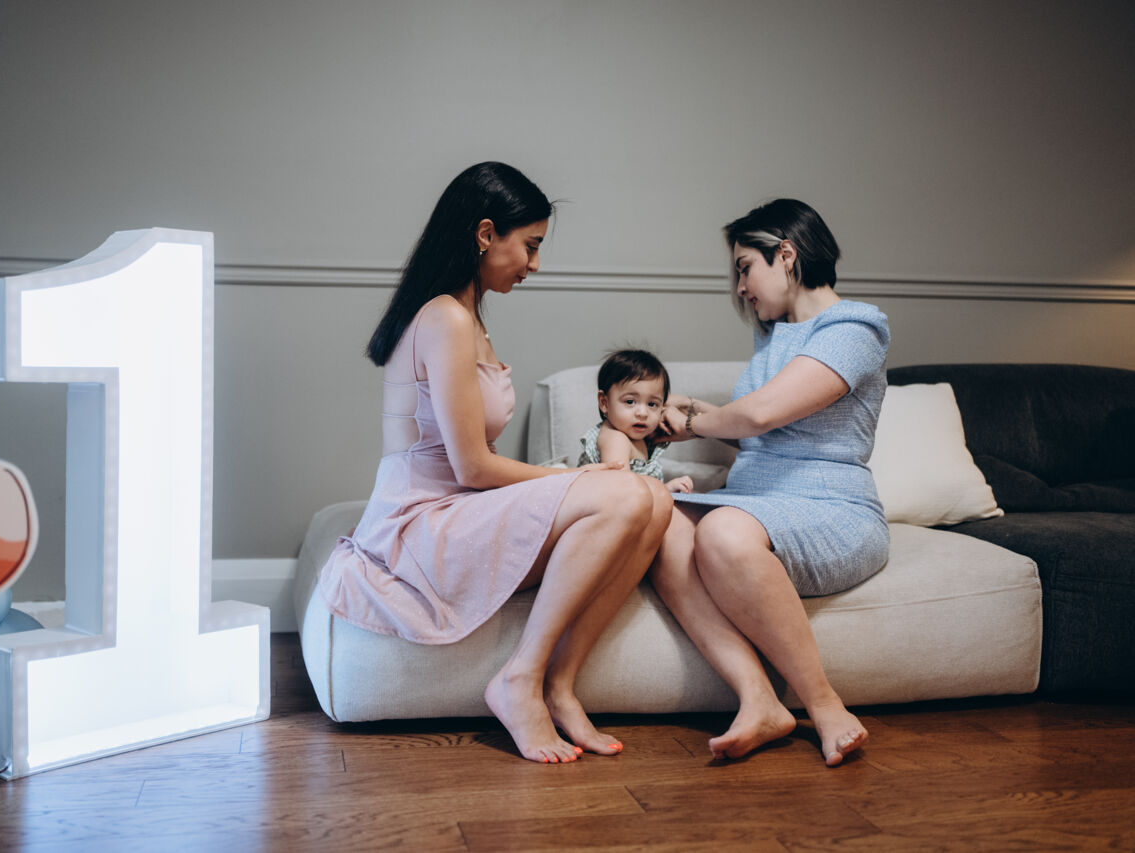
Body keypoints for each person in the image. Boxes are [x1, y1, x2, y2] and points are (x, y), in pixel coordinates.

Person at [318, 162, 673, 764]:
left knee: (656, 499)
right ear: (486, 234)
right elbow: (472, 470)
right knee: (624, 492)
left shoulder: (467, 318)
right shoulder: (445, 318)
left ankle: (560, 687)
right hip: (418, 524)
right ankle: (519, 679)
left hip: (458, 507)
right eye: (530, 245)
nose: (535, 264)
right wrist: (574, 477)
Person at [653, 198, 890, 767]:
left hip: (833, 508)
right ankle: (759, 700)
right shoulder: (775, 336)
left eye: (744, 268)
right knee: (656, 517)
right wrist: (690, 413)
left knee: (723, 531)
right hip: (759, 503)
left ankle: (824, 704)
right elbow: (765, 437)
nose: (740, 288)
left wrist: (695, 421)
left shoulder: (854, 327)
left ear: (786, 254)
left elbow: (760, 415)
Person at [578, 349, 694, 493]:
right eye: (630, 401)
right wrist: (665, 489)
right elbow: (622, 490)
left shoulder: (638, 435)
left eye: (652, 404)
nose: (643, 413)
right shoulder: (615, 439)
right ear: (604, 403)